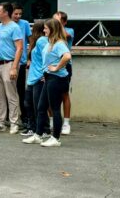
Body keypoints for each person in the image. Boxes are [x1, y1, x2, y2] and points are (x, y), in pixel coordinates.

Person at [22, 18, 71, 147]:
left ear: (52, 29)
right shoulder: (50, 42)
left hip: (57, 79)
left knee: (55, 109)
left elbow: (67, 56)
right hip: (49, 77)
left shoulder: (59, 43)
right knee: (41, 107)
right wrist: (46, 72)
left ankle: (56, 138)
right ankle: (38, 135)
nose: (44, 30)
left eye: (46, 28)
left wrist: (56, 68)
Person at [0, 2, 23, 134]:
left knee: (11, 94)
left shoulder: (14, 27)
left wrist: (14, 67)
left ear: (5, 13)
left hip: (9, 63)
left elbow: (19, 48)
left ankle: (14, 122)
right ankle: (1, 122)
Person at [20, 21, 48, 137]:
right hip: (32, 77)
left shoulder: (42, 41)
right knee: (28, 104)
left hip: (38, 77)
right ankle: (32, 127)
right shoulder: (36, 42)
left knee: (38, 106)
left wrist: (45, 73)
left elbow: (48, 57)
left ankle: (44, 129)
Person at [53, 11, 74, 135]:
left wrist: (58, 25)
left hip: (65, 66)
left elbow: (65, 36)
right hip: (51, 66)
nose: (55, 24)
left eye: (58, 21)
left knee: (64, 94)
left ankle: (66, 123)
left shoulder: (69, 30)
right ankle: (52, 121)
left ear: (64, 22)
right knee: (50, 95)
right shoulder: (49, 32)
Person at [11, 3, 32, 127]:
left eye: (20, 14)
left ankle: (25, 117)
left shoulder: (24, 24)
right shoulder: (6, 25)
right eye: (16, 14)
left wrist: (29, 58)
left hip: (21, 62)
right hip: (9, 61)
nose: (18, 16)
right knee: (9, 91)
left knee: (21, 91)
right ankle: (12, 116)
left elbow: (31, 40)